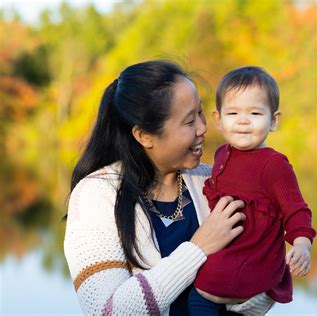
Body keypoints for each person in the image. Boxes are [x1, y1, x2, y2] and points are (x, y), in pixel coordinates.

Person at [63, 60, 275, 315]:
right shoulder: (96, 195)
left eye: (200, 113)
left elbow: (263, 283)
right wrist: (197, 249)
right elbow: (107, 311)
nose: (203, 128)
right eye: (189, 122)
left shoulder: (214, 180)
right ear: (144, 136)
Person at [188, 66, 317, 315]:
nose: (243, 120)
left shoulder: (274, 164)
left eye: (255, 113)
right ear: (219, 120)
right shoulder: (221, 154)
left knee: (207, 293)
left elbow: (296, 209)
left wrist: (302, 244)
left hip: (250, 273)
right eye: (233, 112)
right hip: (217, 269)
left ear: (274, 121)